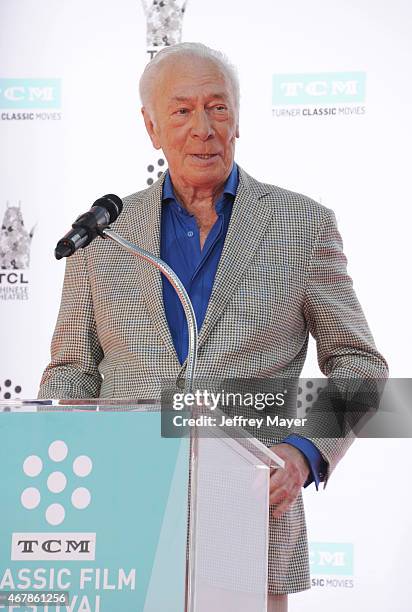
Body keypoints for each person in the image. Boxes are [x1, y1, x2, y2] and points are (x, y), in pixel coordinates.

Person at [38, 42, 388, 611]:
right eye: (181, 111)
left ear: (238, 119)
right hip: (122, 528)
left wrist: (302, 452)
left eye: (217, 108)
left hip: (252, 522)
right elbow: (72, 375)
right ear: (151, 127)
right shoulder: (103, 237)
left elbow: (360, 368)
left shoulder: (301, 224)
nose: (203, 128)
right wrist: (61, 457)